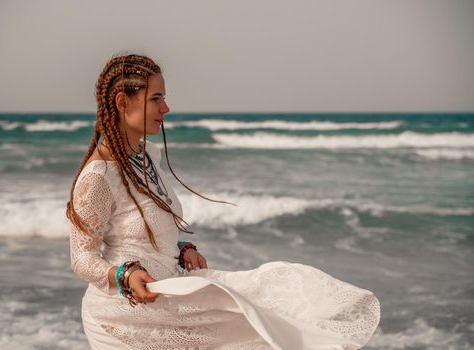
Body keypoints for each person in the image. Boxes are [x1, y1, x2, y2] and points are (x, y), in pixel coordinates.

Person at [67, 53, 380, 349]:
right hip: (122, 318)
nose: (167, 108)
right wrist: (124, 274)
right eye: (156, 99)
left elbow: (141, 229)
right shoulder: (99, 176)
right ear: (123, 102)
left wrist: (179, 250)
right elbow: (82, 257)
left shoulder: (148, 157)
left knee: (270, 311)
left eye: (164, 97)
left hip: (166, 297)